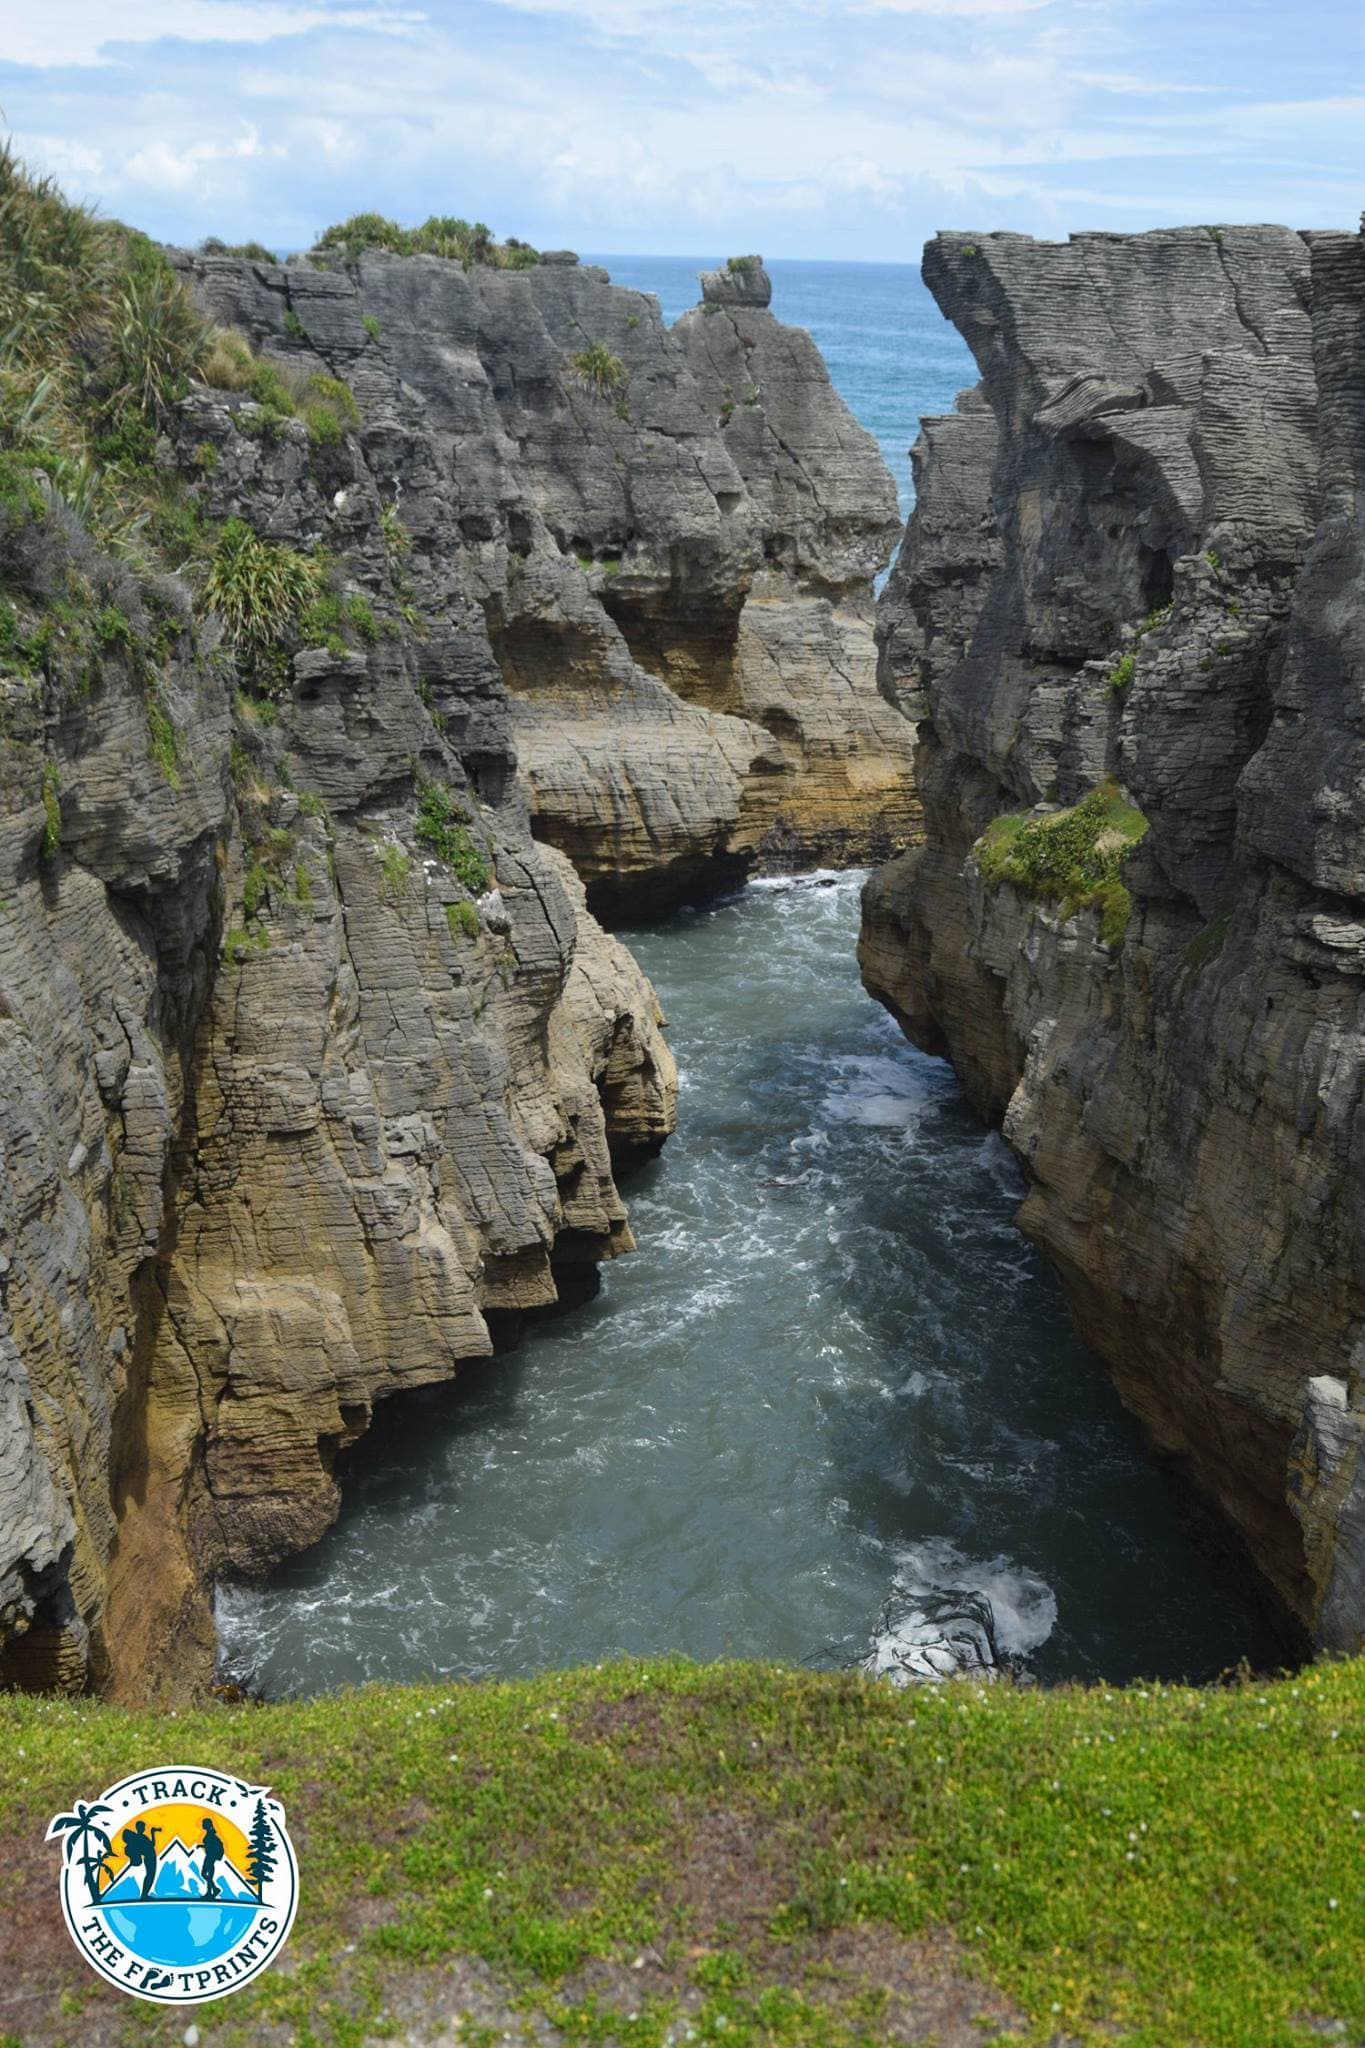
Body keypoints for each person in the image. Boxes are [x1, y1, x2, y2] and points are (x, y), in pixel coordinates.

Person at [121, 1820, 161, 1899]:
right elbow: (150, 1845)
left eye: (144, 1827)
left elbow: (151, 1845)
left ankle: (144, 1894)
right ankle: (144, 1895)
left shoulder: (141, 1837)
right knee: (150, 1877)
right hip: (150, 1858)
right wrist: (152, 1833)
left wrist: (152, 1833)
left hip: (151, 1857)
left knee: (150, 1876)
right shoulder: (140, 1837)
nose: (144, 1828)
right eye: (143, 1827)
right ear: (139, 1828)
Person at [199, 1817, 225, 1901]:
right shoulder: (210, 1833)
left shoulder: (210, 1834)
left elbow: (211, 1845)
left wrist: (203, 1846)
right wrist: (202, 1846)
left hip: (210, 1857)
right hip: (210, 1856)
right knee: (208, 1875)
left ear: (207, 1825)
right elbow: (209, 1845)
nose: (202, 1825)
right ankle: (211, 1891)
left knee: (204, 1874)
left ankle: (213, 1890)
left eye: (203, 1823)